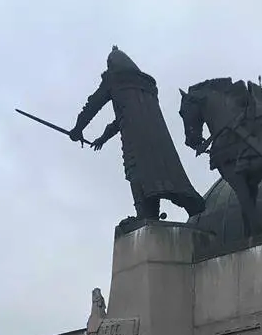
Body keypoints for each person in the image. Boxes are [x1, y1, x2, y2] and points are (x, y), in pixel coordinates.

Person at [70, 46, 205, 220]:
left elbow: (93, 104)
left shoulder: (114, 79)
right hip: (160, 140)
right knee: (161, 173)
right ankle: (156, 214)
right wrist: (103, 137)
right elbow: (126, 115)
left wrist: (77, 129)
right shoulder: (145, 86)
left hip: (135, 140)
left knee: (137, 171)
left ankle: (145, 215)